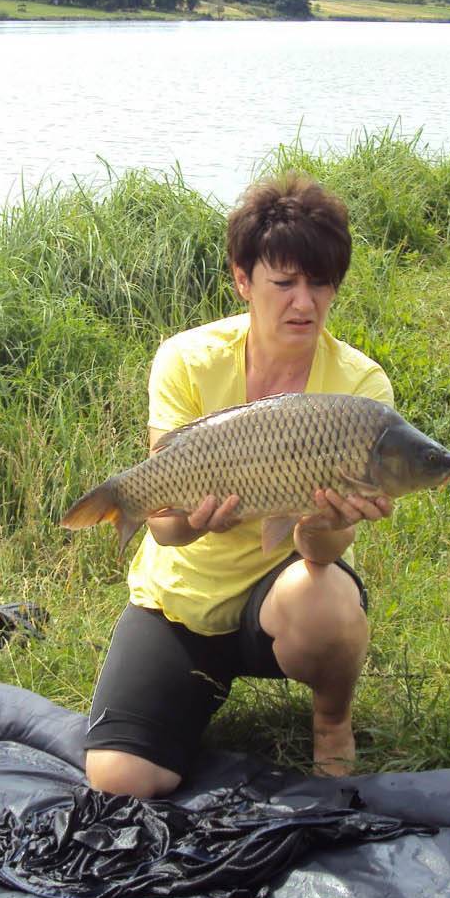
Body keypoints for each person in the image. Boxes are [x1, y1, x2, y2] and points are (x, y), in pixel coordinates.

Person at [83, 172, 395, 799]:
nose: (304, 303)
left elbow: (321, 555)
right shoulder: (187, 360)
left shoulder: (359, 390)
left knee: (328, 602)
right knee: (121, 781)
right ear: (242, 280)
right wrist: (197, 520)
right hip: (183, 600)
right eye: (284, 283)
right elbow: (166, 530)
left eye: (320, 283)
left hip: (281, 598)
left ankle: (331, 722)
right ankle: (190, 686)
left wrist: (329, 521)